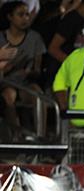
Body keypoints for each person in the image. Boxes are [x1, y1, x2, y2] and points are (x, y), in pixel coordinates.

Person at [0, 1, 46, 139]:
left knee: (39, 96)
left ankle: (40, 138)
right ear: (10, 17)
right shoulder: (1, 37)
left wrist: (29, 72)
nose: (25, 18)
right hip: (6, 82)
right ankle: (16, 136)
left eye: (27, 14)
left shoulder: (35, 38)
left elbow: (37, 70)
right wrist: (11, 66)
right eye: (20, 15)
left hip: (25, 83)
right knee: (9, 96)